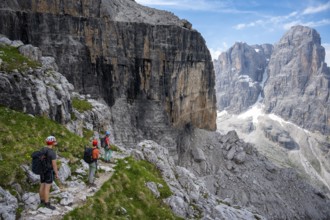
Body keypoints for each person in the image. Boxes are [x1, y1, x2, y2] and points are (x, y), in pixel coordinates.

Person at [39, 135, 59, 210]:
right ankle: (47, 203)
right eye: (54, 141)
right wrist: (56, 173)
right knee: (47, 188)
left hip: (42, 171)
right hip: (49, 171)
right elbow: (54, 165)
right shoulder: (52, 152)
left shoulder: (42, 149)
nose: (55, 143)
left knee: (42, 185)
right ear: (52, 143)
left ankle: (42, 201)